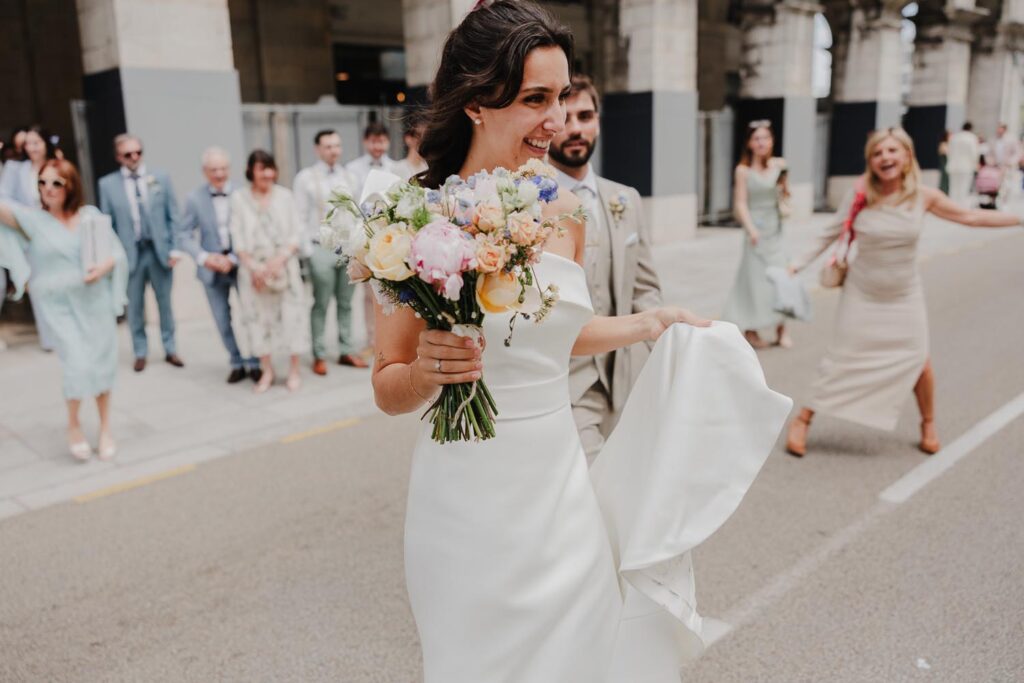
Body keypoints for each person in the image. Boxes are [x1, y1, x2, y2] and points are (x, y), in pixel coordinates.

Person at [370, 2, 791, 680]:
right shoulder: (412, 217)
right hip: (464, 496)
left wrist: (649, 324)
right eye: (537, 98)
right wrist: (424, 373)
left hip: (559, 485)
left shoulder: (565, 211)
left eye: (563, 97)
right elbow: (388, 383)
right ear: (478, 100)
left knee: (583, 650)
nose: (558, 120)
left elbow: (555, 336)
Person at [785, 127, 1021, 458]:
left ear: (907, 156)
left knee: (919, 361)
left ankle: (928, 424)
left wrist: (1019, 219)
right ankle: (803, 419)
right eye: (878, 153)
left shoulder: (924, 197)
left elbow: (971, 216)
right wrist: (796, 265)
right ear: (871, 161)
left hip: (903, 295)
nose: (886, 158)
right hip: (862, 293)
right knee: (842, 358)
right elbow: (829, 232)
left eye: (893, 151)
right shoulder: (860, 193)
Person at [546, 73, 663, 462]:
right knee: (594, 492)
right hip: (563, 384)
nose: (576, 128)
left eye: (586, 116)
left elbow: (645, 288)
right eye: (566, 118)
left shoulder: (625, 199)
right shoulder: (529, 200)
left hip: (623, 381)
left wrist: (659, 351)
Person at [0, 159, 128, 461]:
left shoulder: (89, 217)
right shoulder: (33, 220)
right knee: (77, 365)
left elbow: (117, 254)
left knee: (101, 366)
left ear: (70, 185)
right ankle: (73, 425)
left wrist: (102, 268)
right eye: (43, 182)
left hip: (94, 301)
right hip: (58, 308)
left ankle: (105, 427)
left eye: (56, 183)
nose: (48, 189)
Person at [98, 134, 184, 372]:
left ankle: (170, 348)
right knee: (134, 307)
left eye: (138, 152)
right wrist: (111, 257)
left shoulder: (161, 178)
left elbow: (173, 216)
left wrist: (175, 248)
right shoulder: (107, 184)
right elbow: (107, 225)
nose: (134, 157)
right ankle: (140, 351)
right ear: (118, 157)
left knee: (165, 304)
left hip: (159, 252)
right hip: (129, 255)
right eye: (128, 154)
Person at [176, 147, 260, 384]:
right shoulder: (194, 198)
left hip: (240, 263)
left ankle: (255, 362)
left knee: (250, 316)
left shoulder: (243, 195)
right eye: (214, 169)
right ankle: (236, 362)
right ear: (205, 172)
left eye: (223, 168)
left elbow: (250, 231)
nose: (219, 174)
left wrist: (233, 258)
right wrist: (205, 258)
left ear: (229, 169)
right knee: (222, 320)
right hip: (211, 269)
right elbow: (183, 234)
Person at [230, 150, 308, 393]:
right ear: (251, 171)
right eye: (261, 168)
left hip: (284, 265)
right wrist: (256, 268)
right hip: (253, 271)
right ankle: (267, 371)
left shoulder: (285, 196)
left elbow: (297, 231)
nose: (267, 174)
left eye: (270, 168)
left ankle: (294, 370)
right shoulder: (239, 199)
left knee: (292, 317)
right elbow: (237, 237)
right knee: (257, 321)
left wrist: (279, 260)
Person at [293, 129, 367, 375]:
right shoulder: (305, 178)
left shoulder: (350, 177)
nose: (333, 150)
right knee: (321, 302)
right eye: (327, 146)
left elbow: (358, 214)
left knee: (347, 303)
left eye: (336, 145)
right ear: (317, 149)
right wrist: (308, 252)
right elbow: (300, 217)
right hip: (319, 249)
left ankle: (346, 350)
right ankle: (319, 353)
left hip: (346, 249)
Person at [721, 120, 792, 349]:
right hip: (755, 230)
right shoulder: (743, 171)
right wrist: (751, 228)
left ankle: (782, 329)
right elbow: (740, 203)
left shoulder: (780, 165)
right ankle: (751, 330)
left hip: (776, 229)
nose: (762, 142)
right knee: (754, 280)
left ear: (772, 141)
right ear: (750, 143)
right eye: (757, 138)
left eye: (766, 137)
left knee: (781, 278)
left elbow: (785, 195)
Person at [0, 125, 61, 351]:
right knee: (38, 285)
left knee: (60, 282)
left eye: (36, 142)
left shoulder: (56, 166)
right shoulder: (17, 169)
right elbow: (4, 198)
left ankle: (65, 330)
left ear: (45, 144)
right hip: (29, 232)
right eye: (29, 143)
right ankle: (49, 339)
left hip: (55, 230)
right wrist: (28, 215)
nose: (32, 147)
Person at [344, 121, 397, 199]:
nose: (377, 146)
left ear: (388, 142)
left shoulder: (395, 168)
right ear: (365, 141)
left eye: (381, 141)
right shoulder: (351, 168)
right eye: (373, 141)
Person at [947, 122, 979, 207]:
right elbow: (974, 154)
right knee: (963, 188)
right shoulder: (971, 138)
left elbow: (949, 151)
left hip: (953, 166)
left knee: (953, 187)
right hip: (966, 166)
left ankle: (952, 206)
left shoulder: (954, 137)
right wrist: (975, 164)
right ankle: (960, 207)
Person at [392, 112, 428, 181]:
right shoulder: (397, 168)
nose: (422, 140)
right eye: (418, 135)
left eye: (426, 136)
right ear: (408, 138)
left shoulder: (429, 169)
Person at [992, 122, 1021, 203]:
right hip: (997, 166)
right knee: (997, 184)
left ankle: (1005, 201)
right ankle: (996, 200)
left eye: (1000, 128)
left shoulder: (1011, 139)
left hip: (1008, 166)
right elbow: (991, 152)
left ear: (1004, 129)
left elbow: (1017, 153)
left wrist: (1011, 162)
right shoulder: (995, 139)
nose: (998, 130)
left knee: (1007, 184)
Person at [937, 130, 950, 195]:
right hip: (944, 163)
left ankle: (946, 190)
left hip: (947, 163)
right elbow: (944, 152)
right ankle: (943, 190)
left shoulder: (948, 144)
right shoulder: (943, 144)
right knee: (944, 178)